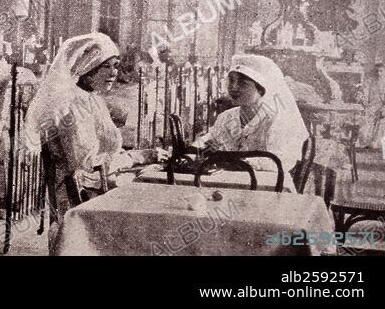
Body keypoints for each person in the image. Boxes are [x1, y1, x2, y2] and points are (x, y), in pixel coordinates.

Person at [26, 33, 167, 206]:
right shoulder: (71, 106)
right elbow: (86, 164)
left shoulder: (91, 98)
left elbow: (103, 153)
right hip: (86, 196)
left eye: (116, 65)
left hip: (99, 185)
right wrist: (138, 157)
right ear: (88, 69)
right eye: (105, 66)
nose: (113, 72)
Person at [193, 54, 309, 172]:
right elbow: (209, 140)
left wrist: (240, 162)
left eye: (242, 83)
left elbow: (281, 161)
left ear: (261, 89)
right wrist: (198, 151)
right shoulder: (226, 117)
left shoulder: (277, 120)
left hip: (262, 184)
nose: (233, 87)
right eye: (232, 80)